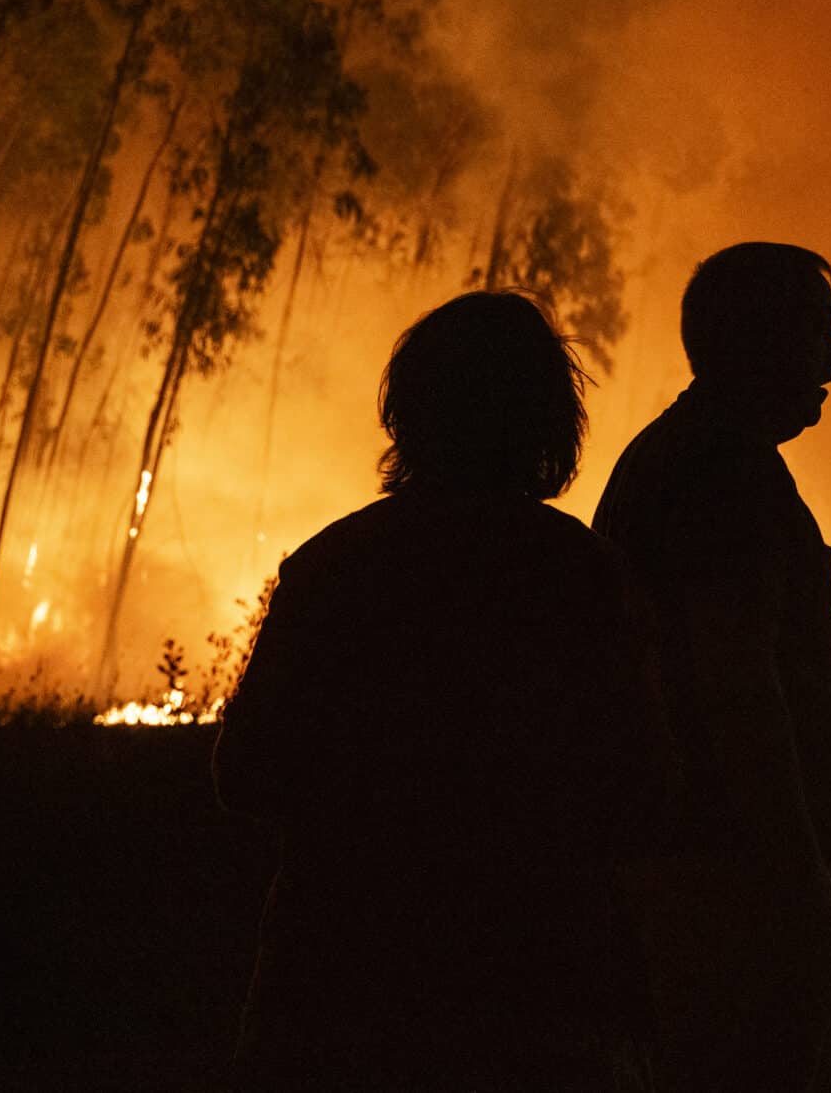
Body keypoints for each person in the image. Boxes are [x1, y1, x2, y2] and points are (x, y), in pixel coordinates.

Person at [214, 291, 666, 1093]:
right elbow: (639, 784)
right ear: (548, 420)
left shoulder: (335, 565)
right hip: (534, 986)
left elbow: (247, 768)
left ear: (412, 411)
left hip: (340, 979)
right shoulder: (581, 576)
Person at [592, 242, 831, 1093]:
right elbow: (734, 678)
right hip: (722, 870)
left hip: (696, 857)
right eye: (819, 332)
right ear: (764, 341)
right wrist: (796, 869)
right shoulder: (723, 472)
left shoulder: (691, 454)